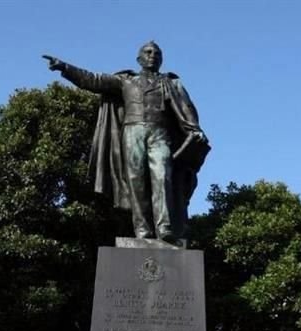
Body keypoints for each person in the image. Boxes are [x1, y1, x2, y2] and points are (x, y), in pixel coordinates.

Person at [43, 41, 209, 242]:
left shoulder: (171, 83)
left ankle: (164, 227)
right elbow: (93, 80)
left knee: (162, 175)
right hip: (133, 131)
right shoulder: (126, 81)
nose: (152, 55)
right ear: (139, 59)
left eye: (157, 53)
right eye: (147, 52)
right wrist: (65, 68)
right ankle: (142, 229)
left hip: (160, 133)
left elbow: (186, 109)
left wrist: (194, 130)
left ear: (161, 59)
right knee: (136, 181)